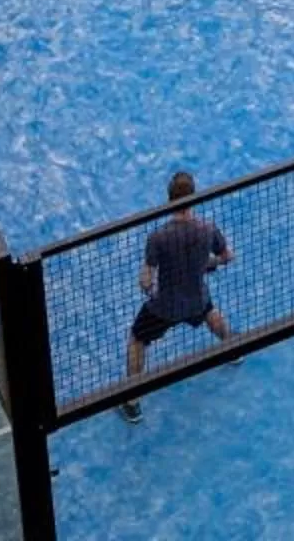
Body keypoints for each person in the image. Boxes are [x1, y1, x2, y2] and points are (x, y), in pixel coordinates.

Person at [121, 170, 233, 420]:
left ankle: (132, 401)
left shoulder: (158, 237)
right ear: (193, 197)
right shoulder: (208, 229)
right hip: (196, 299)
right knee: (209, 311)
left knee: (137, 339)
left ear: (170, 199)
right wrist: (206, 264)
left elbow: (146, 279)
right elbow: (227, 257)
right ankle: (233, 348)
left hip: (165, 307)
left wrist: (147, 287)